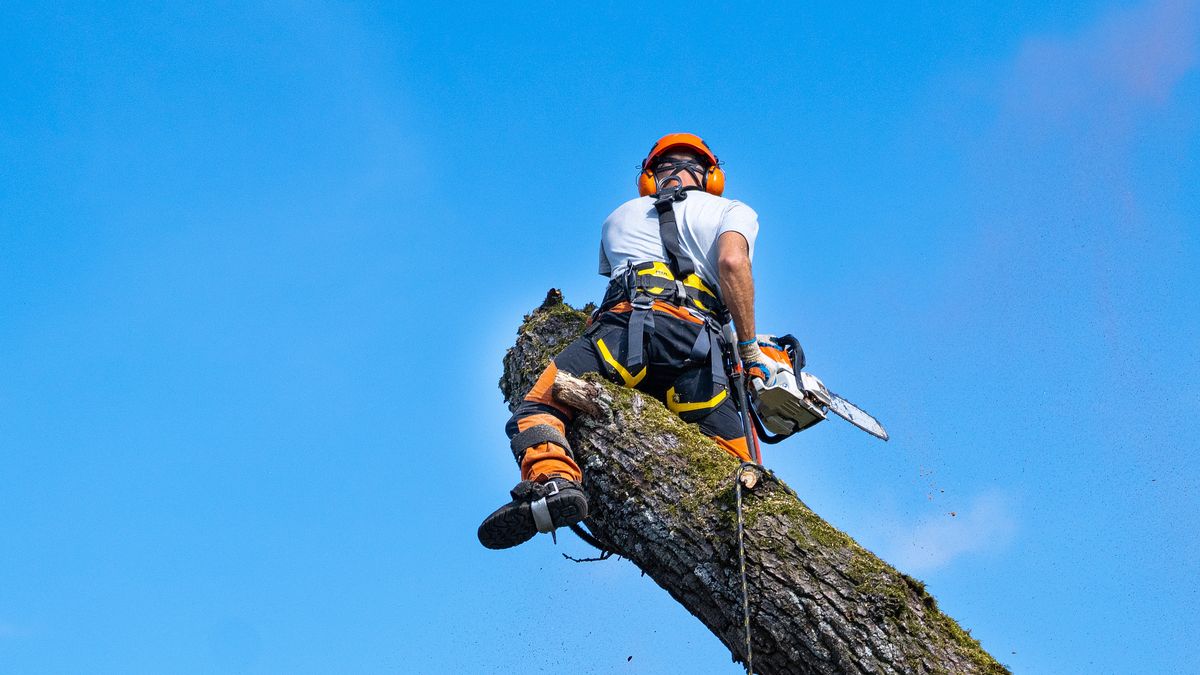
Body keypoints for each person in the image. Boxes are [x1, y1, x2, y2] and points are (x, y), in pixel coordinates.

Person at [478, 133, 780, 550]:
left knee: (540, 406)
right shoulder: (732, 210)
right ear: (712, 177)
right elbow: (731, 263)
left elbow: (618, 285)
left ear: (647, 179)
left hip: (626, 336)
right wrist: (749, 352)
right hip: (699, 352)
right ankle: (747, 528)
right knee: (733, 458)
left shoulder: (618, 217)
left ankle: (553, 481)